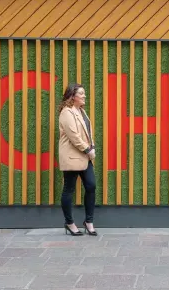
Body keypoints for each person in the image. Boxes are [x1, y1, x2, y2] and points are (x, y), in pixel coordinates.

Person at [58, 83, 97, 236]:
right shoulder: (66, 112)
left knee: (91, 186)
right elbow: (74, 136)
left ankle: (88, 221)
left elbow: (87, 132)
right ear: (72, 96)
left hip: (85, 156)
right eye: (81, 93)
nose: (84, 96)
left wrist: (91, 145)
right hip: (73, 156)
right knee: (69, 189)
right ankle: (69, 223)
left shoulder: (82, 111)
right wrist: (87, 149)